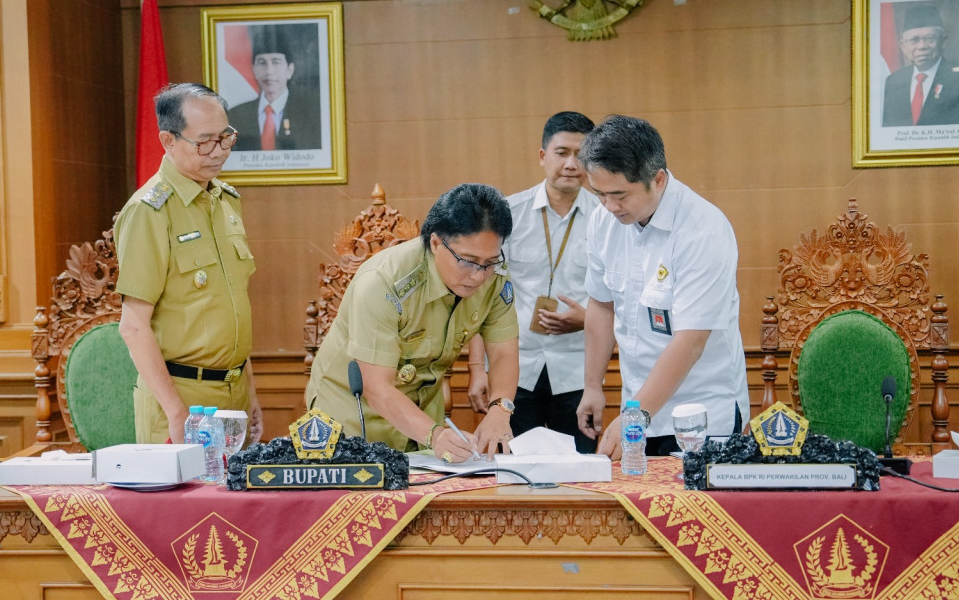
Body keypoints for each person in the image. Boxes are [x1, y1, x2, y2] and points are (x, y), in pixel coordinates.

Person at [304, 184, 520, 462]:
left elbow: (503, 352)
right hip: (351, 419)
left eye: (489, 262)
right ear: (435, 243)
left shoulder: (496, 277)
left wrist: (499, 410)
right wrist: (437, 435)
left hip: (420, 424)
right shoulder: (383, 282)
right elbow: (377, 388)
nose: (479, 276)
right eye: (468, 261)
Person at [575, 115, 749, 458]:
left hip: (703, 416)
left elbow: (690, 342)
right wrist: (593, 385)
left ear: (658, 179)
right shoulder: (604, 220)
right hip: (638, 407)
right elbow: (601, 303)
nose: (610, 207)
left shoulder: (703, 230)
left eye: (620, 195)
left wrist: (635, 418)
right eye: (600, 195)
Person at [117, 83, 264, 446]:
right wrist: (176, 412)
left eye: (225, 137)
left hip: (233, 397)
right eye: (204, 142)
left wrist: (251, 392)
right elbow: (133, 326)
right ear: (168, 141)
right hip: (182, 402)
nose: (218, 152)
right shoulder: (150, 211)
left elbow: (230, 307)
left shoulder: (224, 201)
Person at [468, 112, 599, 453]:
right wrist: (476, 369)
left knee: (579, 480)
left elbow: (621, 299)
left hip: (577, 371)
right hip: (514, 369)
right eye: (562, 152)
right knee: (511, 471)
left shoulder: (608, 218)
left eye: (581, 155)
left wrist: (588, 319)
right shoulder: (508, 214)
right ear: (542, 156)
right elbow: (482, 295)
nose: (572, 163)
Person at [882, 3, 959, 127]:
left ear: (943, 42)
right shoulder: (893, 82)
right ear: (903, 46)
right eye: (914, 40)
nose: (922, 46)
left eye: (930, 39)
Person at [227, 25, 322, 150]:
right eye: (262, 63)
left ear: (290, 70)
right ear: (254, 69)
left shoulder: (311, 115)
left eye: (276, 62)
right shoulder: (236, 116)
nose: (269, 71)